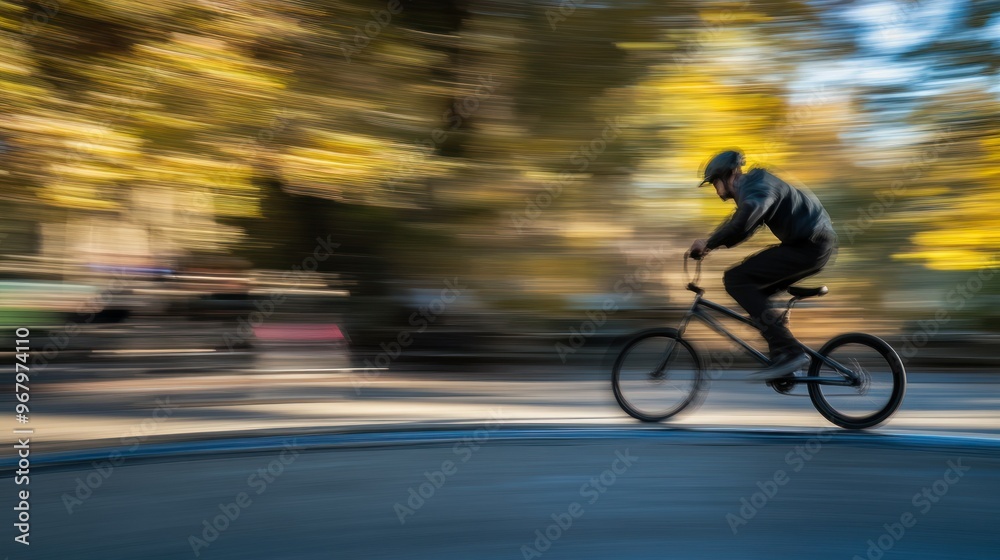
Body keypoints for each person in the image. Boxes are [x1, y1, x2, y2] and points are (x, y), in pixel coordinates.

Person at [688, 150, 837, 380]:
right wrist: (710, 244)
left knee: (736, 279)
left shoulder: (757, 185)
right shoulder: (753, 188)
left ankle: (790, 352)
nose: (716, 190)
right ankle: (782, 356)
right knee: (756, 296)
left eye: (714, 183)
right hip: (808, 245)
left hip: (810, 245)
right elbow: (741, 228)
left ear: (727, 175)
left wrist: (709, 242)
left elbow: (744, 221)